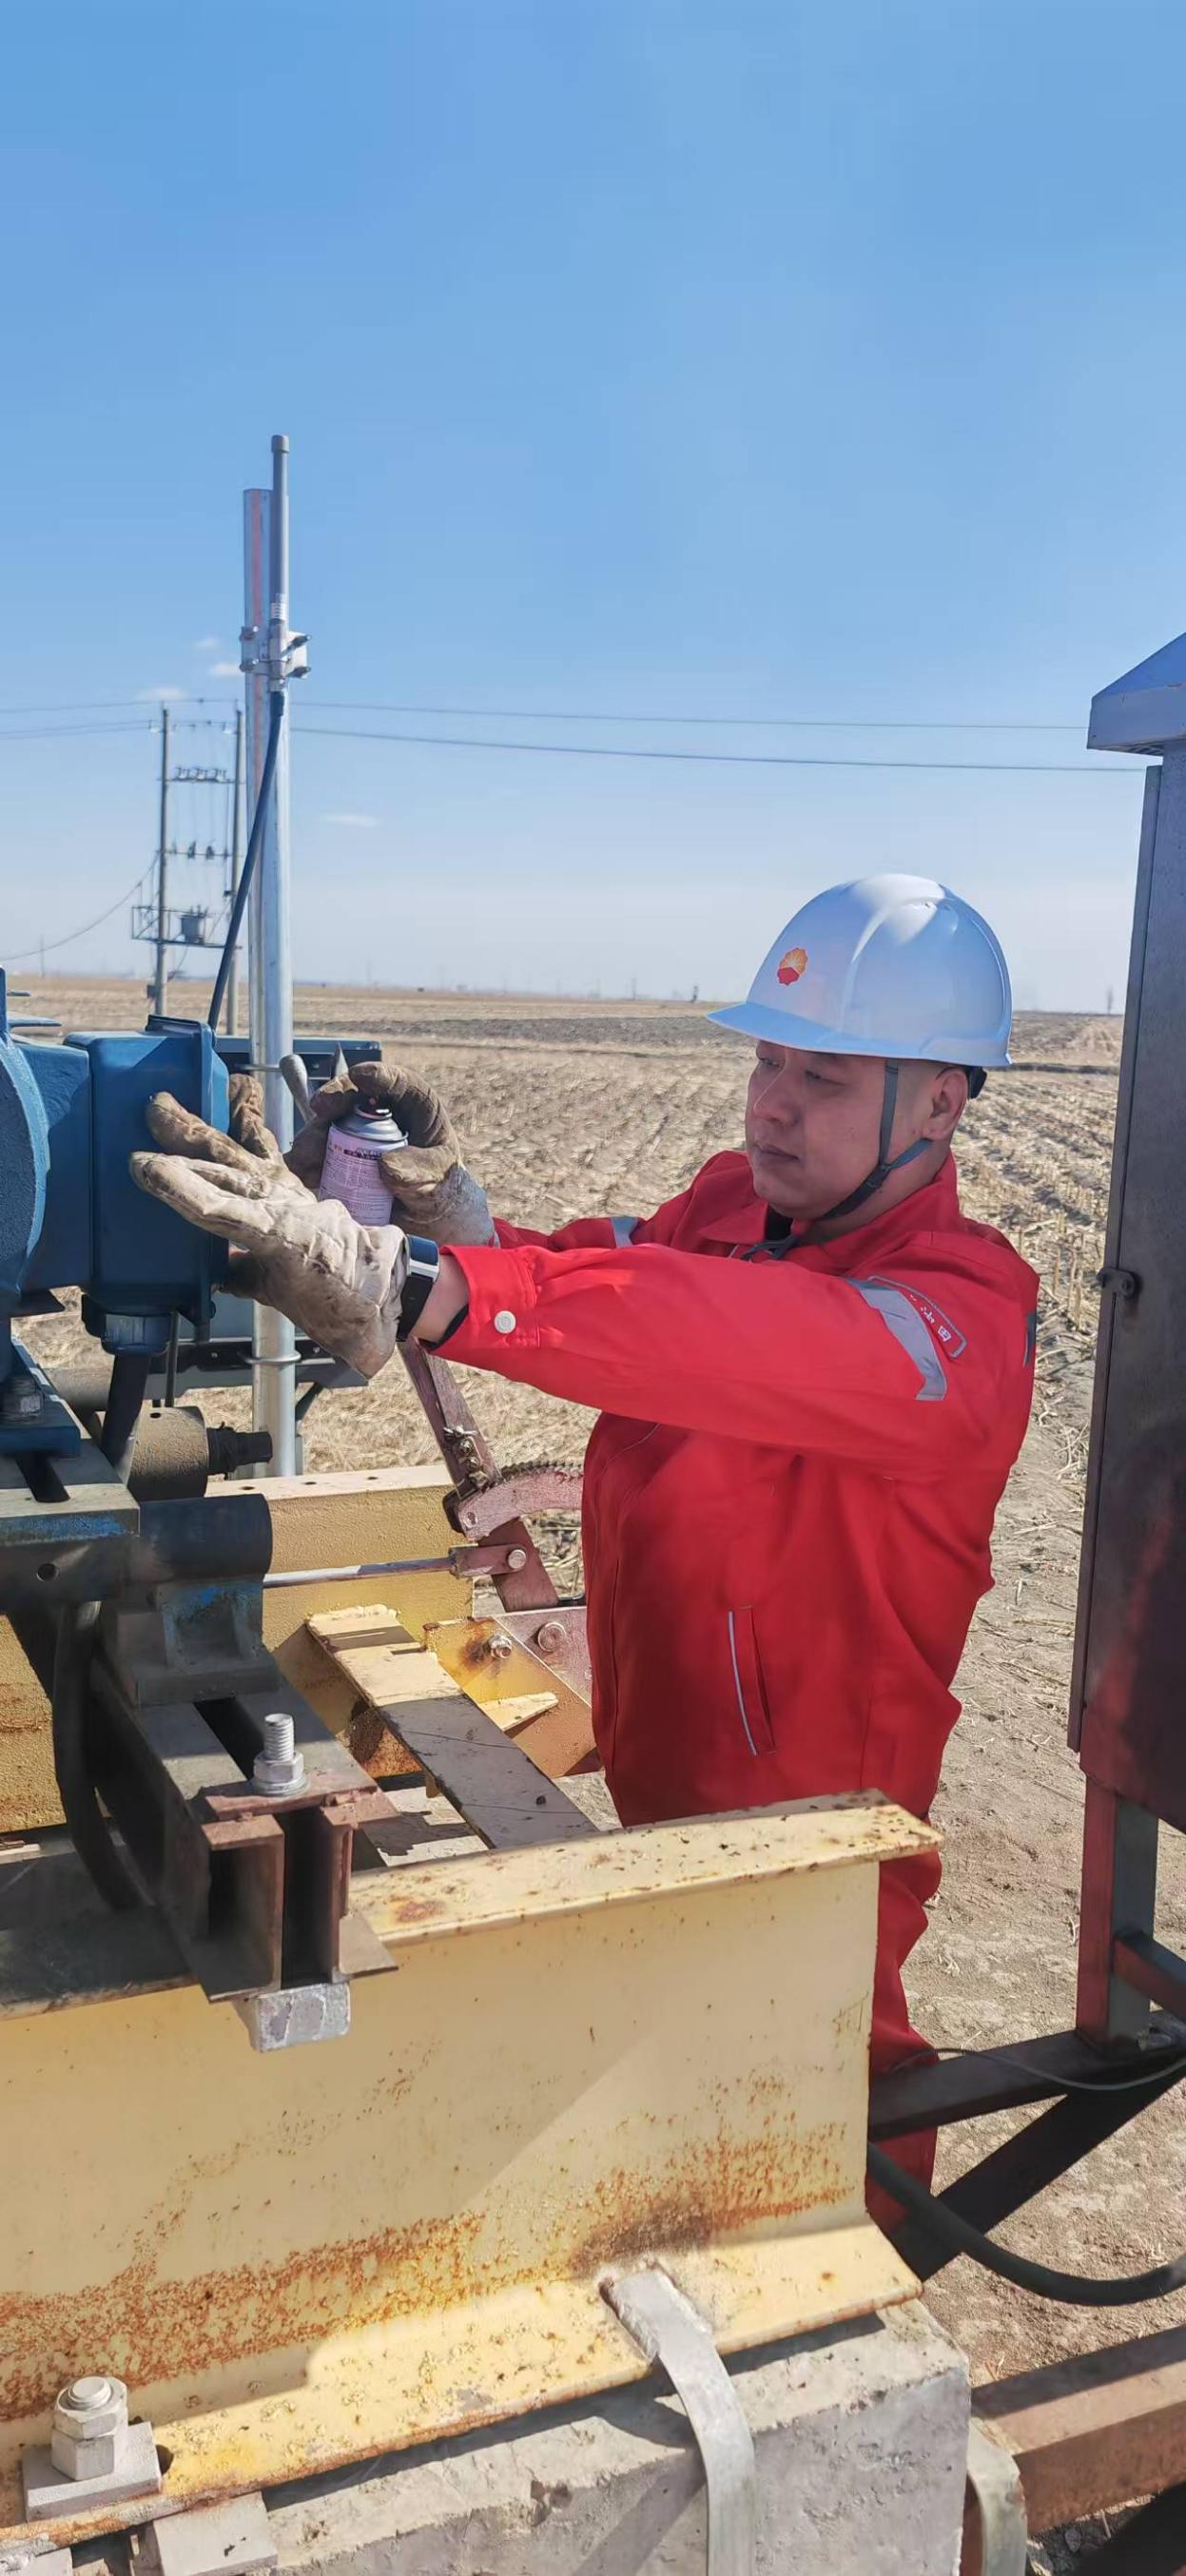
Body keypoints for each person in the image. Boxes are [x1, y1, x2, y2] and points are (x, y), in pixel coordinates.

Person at [133, 872, 1037, 2208]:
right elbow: (614, 1271)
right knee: (688, 2089)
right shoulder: (733, 1207)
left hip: (812, 1847)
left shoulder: (957, 1324)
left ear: (941, 1104)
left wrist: (415, 1284)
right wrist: (454, 1222)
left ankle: (878, 2259)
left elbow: (706, 1334)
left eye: (826, 1077)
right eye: (768, 1061)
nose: (773, 1103)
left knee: (823, 2101)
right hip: (664, 1775)